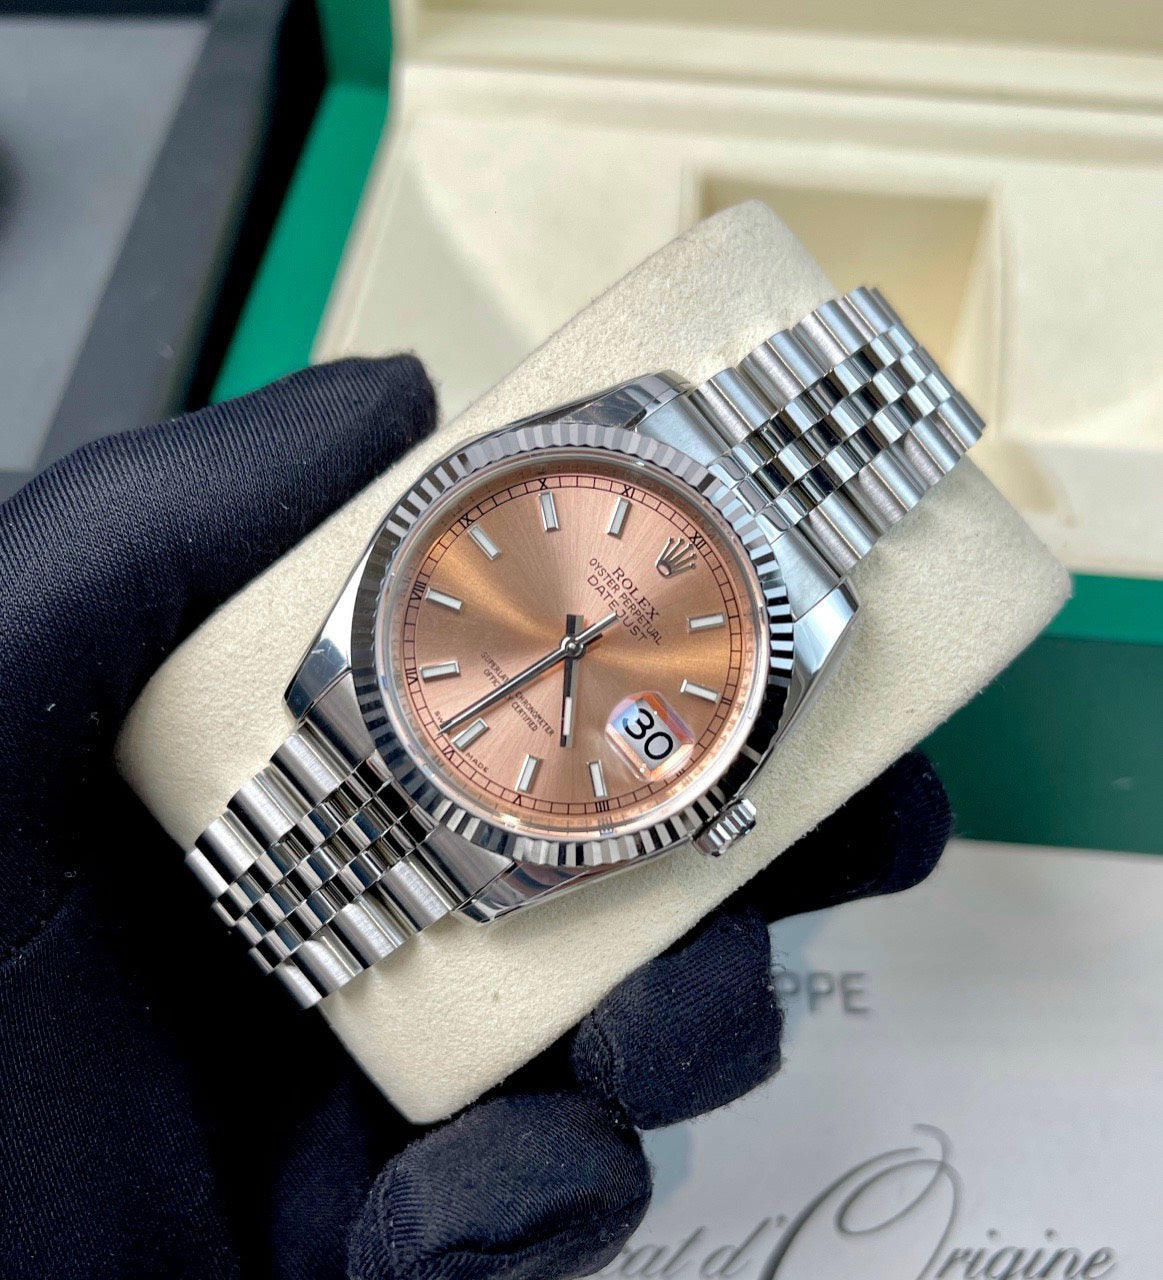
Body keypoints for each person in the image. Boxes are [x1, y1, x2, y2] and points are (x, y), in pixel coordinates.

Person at [0, 356, 951, 1279]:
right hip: (372, 718)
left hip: (477, 829)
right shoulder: (636, 437)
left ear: (714, 804)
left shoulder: (810, 627)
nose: (575, 643)